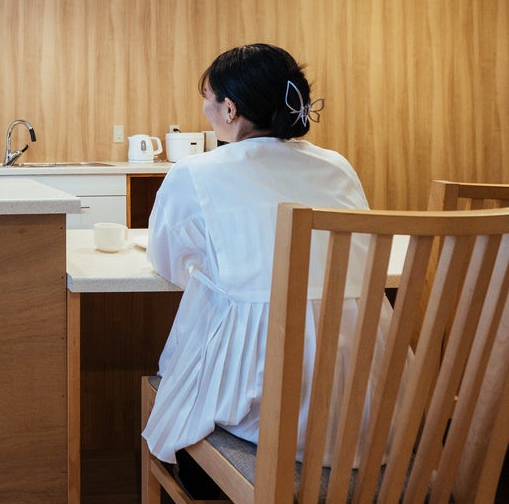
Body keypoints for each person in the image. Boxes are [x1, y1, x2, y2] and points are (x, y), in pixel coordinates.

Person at [142, 43, 382, 488]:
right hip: (367, 399)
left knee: (190, 380)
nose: (205, 108)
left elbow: (170, 263)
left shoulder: (197, 173)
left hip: (270, 404)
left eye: (208, 98)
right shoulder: (338, 167)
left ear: (230, 109)